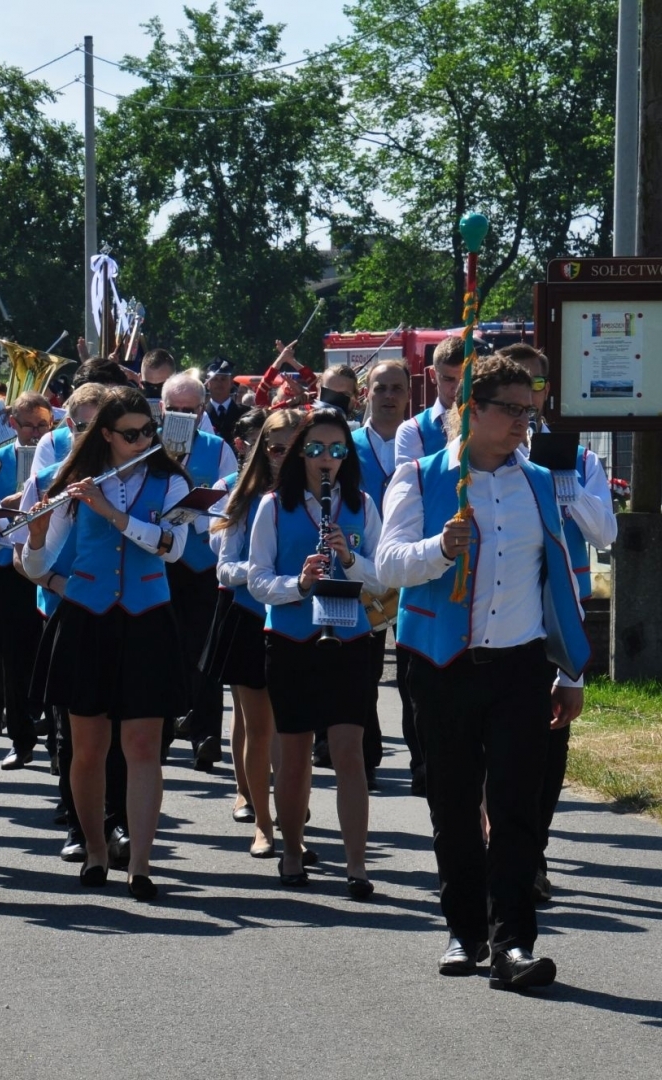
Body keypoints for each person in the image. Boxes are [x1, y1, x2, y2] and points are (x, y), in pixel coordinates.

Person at [376, 355, 590, 991]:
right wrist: (440, 549)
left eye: (531, 409)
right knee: (454, 804)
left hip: (521, 666)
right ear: (472, 410)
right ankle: (463, 931)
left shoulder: (540, 483)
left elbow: (563, 578)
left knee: (517, 808)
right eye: (513, 410)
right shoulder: (418, 477)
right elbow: (388, 564)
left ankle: (513, 945)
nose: (527, 421)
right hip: (440, 664)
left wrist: (571, 672)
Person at [21, 388, 193, 900]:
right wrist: (36, 535)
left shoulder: (172, 483)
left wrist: (113, 514)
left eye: (148, 432)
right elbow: (35, 566)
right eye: (131, 434)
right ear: (106, 436)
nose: (142, 440)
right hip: (87, 620)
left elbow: (172, 548)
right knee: (87, 747)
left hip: (146, 620)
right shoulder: (75, 482)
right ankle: (95, 849)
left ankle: (140, 863)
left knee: (142, 747)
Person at [497, 343, 617, 903]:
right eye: (518, 389)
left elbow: (605, 535)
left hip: (561, 609)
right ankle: (494, 849)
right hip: (504, 610)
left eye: (537, 387)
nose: (530, 400)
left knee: (549, 740)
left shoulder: (581, 458)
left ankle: (532, 852)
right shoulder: (485, 459)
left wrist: (563, 486)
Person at [248, 408, 384, 897]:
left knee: (349, 752)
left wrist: (348, 558)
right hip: (290, 639)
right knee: (296, 753)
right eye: (316, 450)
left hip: (348, 638)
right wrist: (299, 583)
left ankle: (357, 865)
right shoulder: (272, 506)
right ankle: (291, 850)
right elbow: (258, 580)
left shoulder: (361, 503)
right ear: (301, 453)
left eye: (336, 451)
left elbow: (382, 576)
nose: (326, 459)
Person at [17, 383, 118, 863]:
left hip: (120, 614)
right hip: (64, 608)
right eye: (81, 426)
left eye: (99, 426)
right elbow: (20, 554)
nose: (88, 436)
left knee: (118, 728)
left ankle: (115, 823)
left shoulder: (130, 479)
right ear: (68, 426)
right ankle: (79, 823)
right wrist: (57, 581)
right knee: (70, 730)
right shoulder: (49, 476)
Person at [207, 407, 294, 856]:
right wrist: (268, 572)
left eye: (297, 447)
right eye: (277, 448)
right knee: (259, 727)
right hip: (250, 615)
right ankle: (263, 822)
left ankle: (291, 815)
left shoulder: (325, 493)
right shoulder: (244, 493)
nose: (286, 456)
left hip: (301, 618)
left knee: (296, 730)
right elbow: (225, 566)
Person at [161, 373, 239, 770]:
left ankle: (205, 734)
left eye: (189, 411)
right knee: (163, 649)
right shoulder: (147, 447)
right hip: (161, 561)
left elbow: (225, 506)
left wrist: (192, 513)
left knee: (204, 653)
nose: (182, 417)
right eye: (174, 410)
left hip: (203, 563)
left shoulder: (218, 447)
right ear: (162, 409)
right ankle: (161, 732)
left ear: (202, 411)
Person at [353, 360, 421, 794]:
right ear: (366, 394)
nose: (389, 396)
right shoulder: (348, 444)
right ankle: (367, 756)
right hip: (363, 568)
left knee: (415, 672)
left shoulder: (420, 442)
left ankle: (423, 760)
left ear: (409, 395)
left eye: (397, 388)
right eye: (381, 388)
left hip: (413, 566)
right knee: (365, 669)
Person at [0, 391, 55, 770]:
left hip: (46, 566)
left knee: (48, 654)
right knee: (12, 655)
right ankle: (20, 738)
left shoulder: (58, 462)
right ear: (12, 424)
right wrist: (7, 508)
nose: (32, 432)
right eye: (26, 424)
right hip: (8, 564)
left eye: (41, 425)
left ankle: (55, 739)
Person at [395, 335, 466, 465]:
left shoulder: (490, 423)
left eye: (464, 379)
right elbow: (411, 483)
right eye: (448, 379)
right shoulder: (412, 430)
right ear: (432, 375)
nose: (457, 389)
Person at [253, 340, 319, 409]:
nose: (290, 388)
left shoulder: (308, 414)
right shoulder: (270, 415)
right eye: (286, 389)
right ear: (276, 400)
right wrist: (282, 358)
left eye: (294, 386)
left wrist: (288, 359)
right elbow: (260, 394)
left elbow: (315, 384)